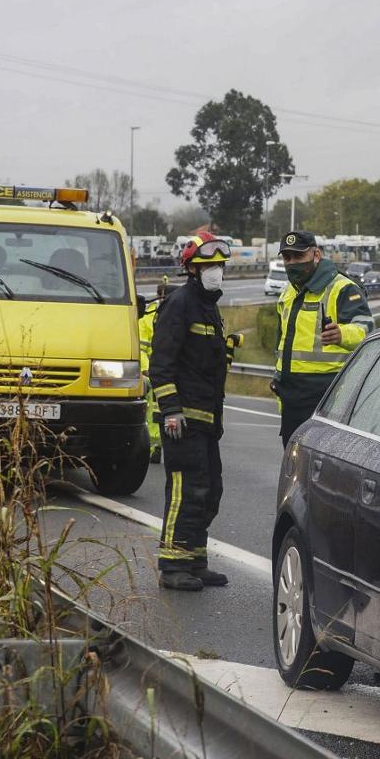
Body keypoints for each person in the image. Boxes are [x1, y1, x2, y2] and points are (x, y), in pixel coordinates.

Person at [149, 236, 233, 592]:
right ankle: (173, 564)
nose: (216, 272)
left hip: (206, 420)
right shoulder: (180, 303)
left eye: (219, 265)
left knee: (210, 489)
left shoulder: (207, 307)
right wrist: (171, 410)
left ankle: (195, 559)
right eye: (208, 266)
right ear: (192, 269)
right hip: (182, 420)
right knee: (186, 490)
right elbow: (161, 364)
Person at [273, 231, 373, 446]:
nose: (292, 263)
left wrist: (342, 334)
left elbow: (366, 329)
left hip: (328, 396)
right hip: (291, 398)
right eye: (287, 258)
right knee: (294, 468)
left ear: (316, 255)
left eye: (298, 257)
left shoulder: (342, 287)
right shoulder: (288, 292)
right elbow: (281, 342)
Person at [138, 277, 169, 464]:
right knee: (152, 410)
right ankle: (153, 446)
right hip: (152, 372)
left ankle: (159, 445)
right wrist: (146, 369)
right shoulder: (147, 317)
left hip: (168, 371)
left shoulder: (176, 314)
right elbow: (141, 347)